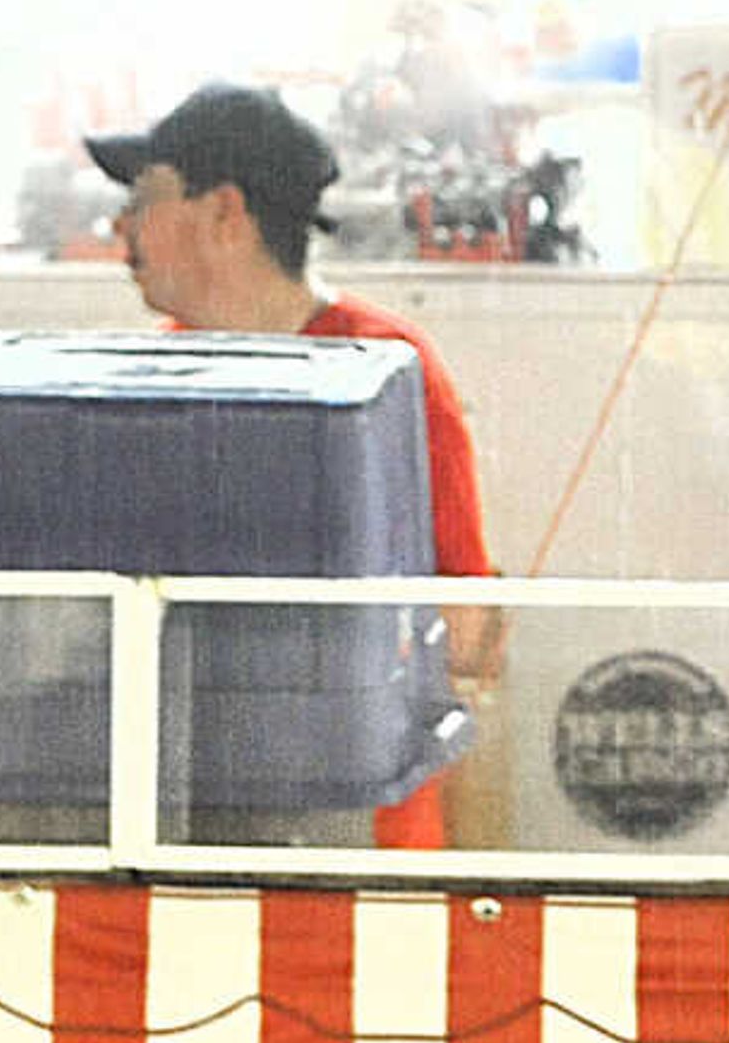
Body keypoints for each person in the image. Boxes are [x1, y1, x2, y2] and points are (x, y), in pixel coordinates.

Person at [86, 81, 505, 847]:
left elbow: (469, 630)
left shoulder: (385, 368)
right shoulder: (151, 374)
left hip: (360, 845)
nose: (123, 225)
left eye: (146, 197)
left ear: (225, 214)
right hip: (187, 823)